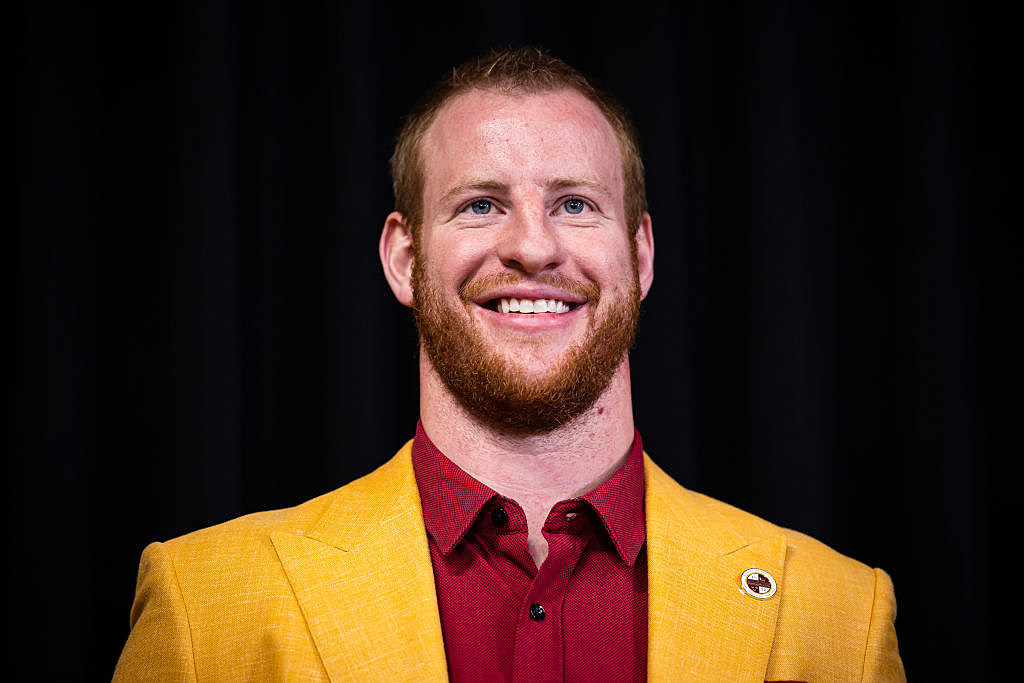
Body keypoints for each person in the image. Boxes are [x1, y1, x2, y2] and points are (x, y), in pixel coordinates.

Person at [114, 47, 905, 681]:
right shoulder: (204, 606)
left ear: (640, 253)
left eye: (574, 204)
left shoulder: (836, 613)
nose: (532, 245)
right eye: (481, 204)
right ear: (403, 257)